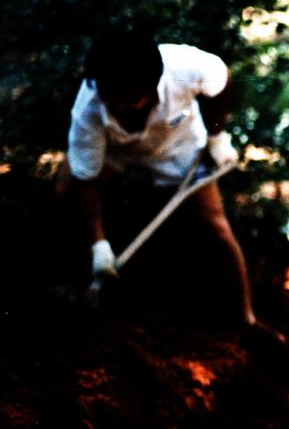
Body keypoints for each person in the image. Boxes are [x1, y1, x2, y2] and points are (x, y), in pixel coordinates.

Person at [60, 30, 272, 338]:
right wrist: (99, 244)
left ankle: (245, 320)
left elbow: (221, 78)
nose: (117, 105)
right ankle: (74, 278)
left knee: (216, 227)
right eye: (109, 96)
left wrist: (216, 136)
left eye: (129, 98)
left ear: (152, 86)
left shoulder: (185, 68)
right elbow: (85, 179)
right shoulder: (88, 109)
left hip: (178, 149)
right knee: (65, 187)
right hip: (116, 151)